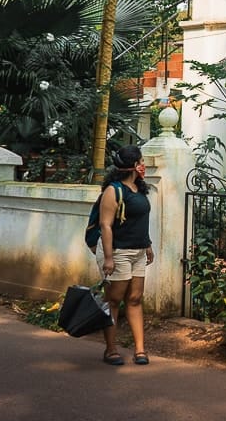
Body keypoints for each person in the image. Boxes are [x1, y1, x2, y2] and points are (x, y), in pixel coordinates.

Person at [96, 145, 154, 366]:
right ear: (133, 166)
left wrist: (147, 244)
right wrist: (109, 258)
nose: (144, 165)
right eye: (141, 161)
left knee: (135, 298)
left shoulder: (139, 188)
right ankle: (110, 349)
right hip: (119, 253)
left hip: (138, 252)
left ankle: (140, 349)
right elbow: (106, 225)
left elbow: (139, 221)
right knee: (114, 300)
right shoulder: (114, 190)